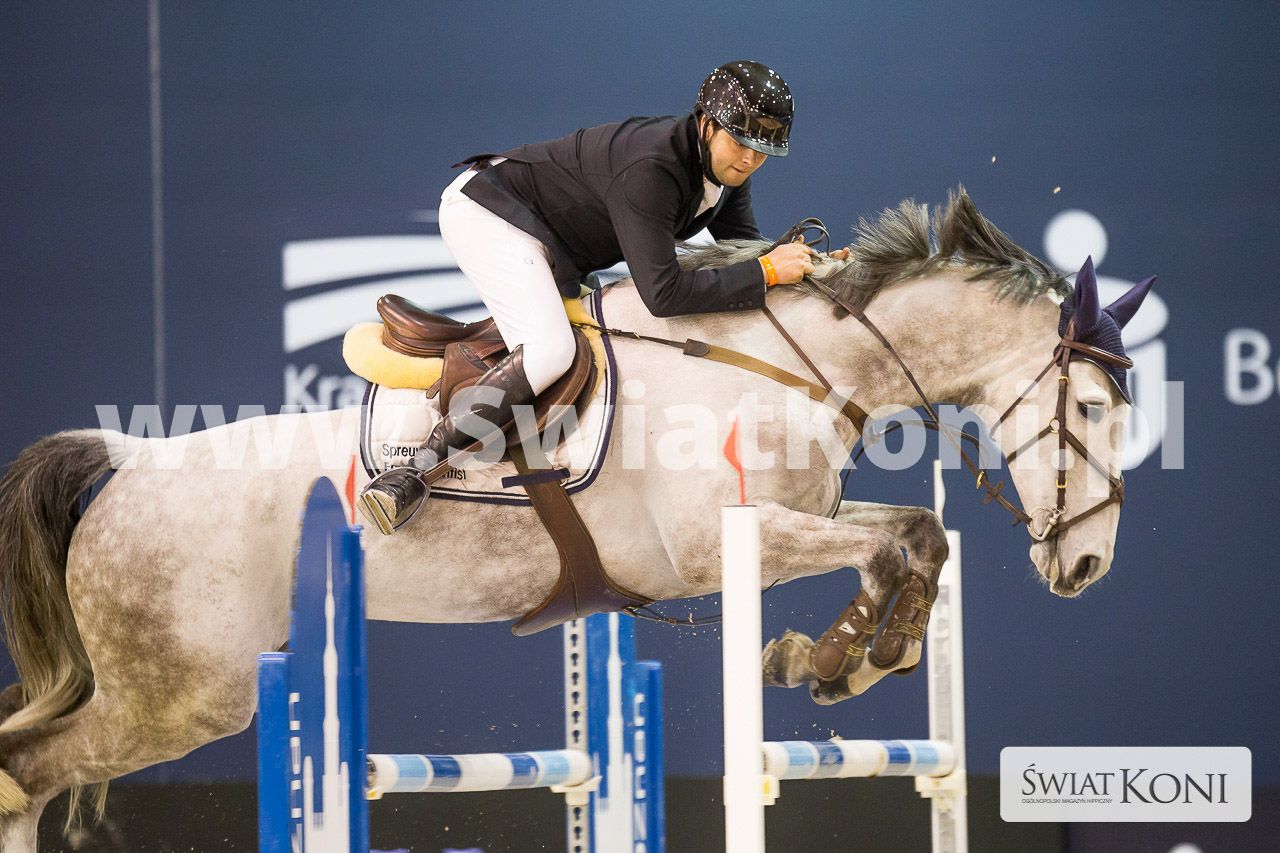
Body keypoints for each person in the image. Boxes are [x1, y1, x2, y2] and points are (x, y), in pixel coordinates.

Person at [359, 60, 829, 535]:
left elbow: (746, 254)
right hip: (490, 215)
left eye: (762, 150)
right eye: (740, 142)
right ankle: (412, 471)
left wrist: (816, 269)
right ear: (706, 123)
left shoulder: (725, 173)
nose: (749, 159)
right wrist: (769, 270)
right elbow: (663, 294)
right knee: (550, 350)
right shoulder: (652, 168)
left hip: (549, 240)